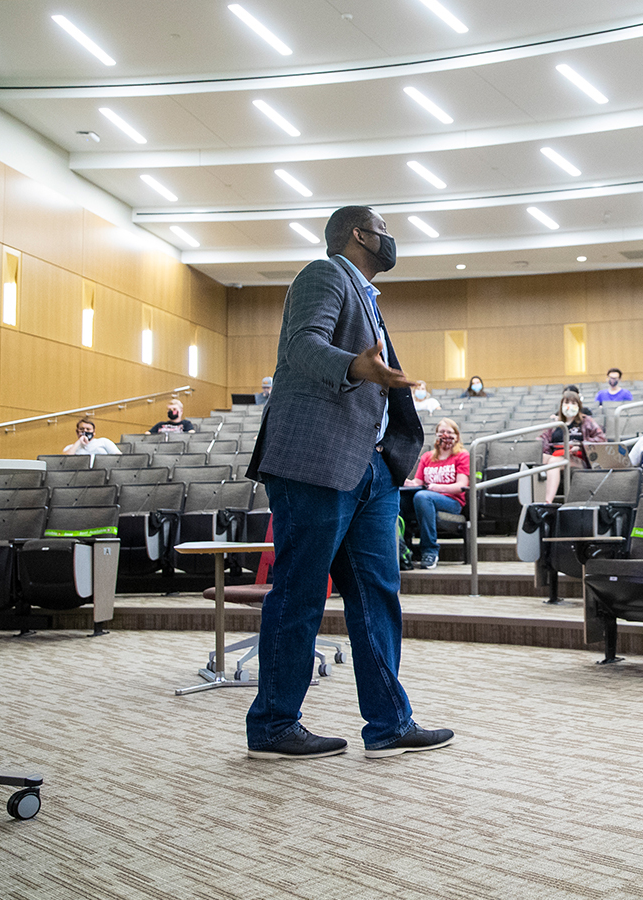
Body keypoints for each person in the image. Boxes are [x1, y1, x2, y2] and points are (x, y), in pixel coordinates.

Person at [244, 204, 451, 762]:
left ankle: (389, 725)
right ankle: (273, 726)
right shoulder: (325, 274)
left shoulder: (369, 297)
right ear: (359, 234)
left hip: (372, 468)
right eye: (384, 230)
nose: (391, 239)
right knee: (301, 590)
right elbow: (302, 346)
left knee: (377, 595)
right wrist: (355, 366)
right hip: (318, 462)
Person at [402, 418, 468, 570]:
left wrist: (437, 487)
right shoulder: (427, 457)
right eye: (442, 432)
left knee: (422, 496)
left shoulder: (461, 456)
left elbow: (461, 486)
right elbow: (417, 483)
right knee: (400, 499)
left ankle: (430, 551)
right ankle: (404, 549)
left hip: (452, 502)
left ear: (457, 436)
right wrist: (400, 479)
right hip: (425, 500)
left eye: (449, 432)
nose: (445, 435)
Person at [539, 390, 605, 503]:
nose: (569, 406)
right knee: (540, 459)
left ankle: (547, 502)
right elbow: (542, 440)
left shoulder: (586, 421)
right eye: (566, 403)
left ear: (578, 406)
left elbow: (601, 439)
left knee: (553, 462)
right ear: (561, 405)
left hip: (577, 457)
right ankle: (532, 499)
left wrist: (581, 446)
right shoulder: (555, 424)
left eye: (573, 403)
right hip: (557, 454)